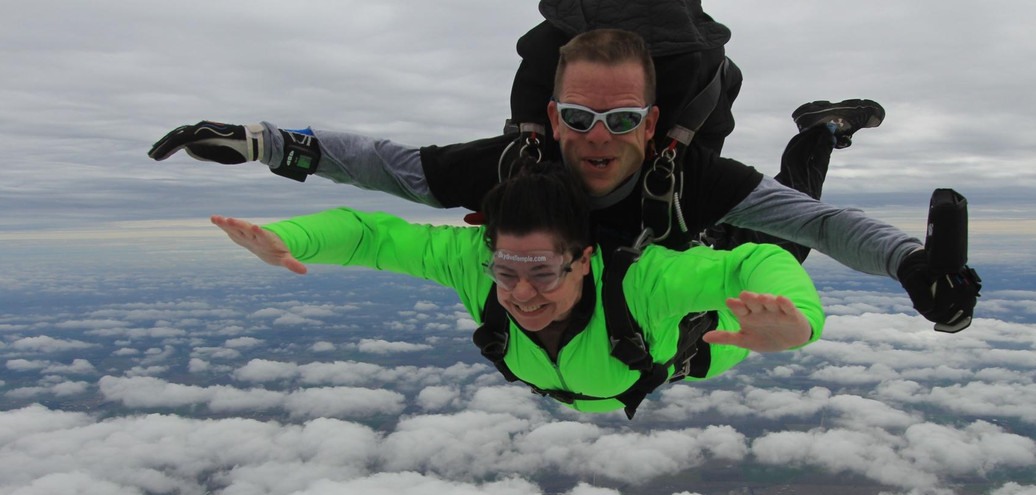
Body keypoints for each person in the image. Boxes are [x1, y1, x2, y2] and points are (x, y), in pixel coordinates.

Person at [150, 29, 978, 331]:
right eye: (578, 118)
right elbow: (384, 167)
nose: (596, 138)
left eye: (621, 121)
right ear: (552, 115)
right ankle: (820, 129)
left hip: (692, 243)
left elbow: (825, 226)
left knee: (790, 242)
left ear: (651, 125)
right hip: (641, 256)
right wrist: (265, 143)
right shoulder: (514, 165)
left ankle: (821, 131)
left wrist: (910, 264)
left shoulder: (691, 175)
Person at [211, 164, 824, 418]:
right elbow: (372, 235)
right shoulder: (474, 262)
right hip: (614, 378)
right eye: (506, 271)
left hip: (716, 339)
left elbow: (757, 261)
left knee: (790, 228)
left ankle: (818, 133)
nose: (522, 293)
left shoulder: (646, 282)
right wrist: (289, 237)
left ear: (583, 261)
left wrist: (797, 323)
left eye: (543, 272)